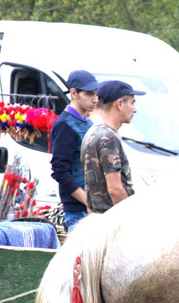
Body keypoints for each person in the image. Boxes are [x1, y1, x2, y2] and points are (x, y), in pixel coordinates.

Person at [81, 79, 144, 213]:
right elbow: (114, 189)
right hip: (112, 224)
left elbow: (90, 189)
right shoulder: (108, 137)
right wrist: (131, 218)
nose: (135, 110)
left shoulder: (92, 132)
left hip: (97, 220)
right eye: (132, 103)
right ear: (120, 104)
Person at [49, 70, 99, 231]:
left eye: (96, 94)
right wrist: (88, 202)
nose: (95, 99)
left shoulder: (88, 122)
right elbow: (60, 171)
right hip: (78, 211)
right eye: (89, 94)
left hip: (93, 209)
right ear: (73, 93)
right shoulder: (64, 124)